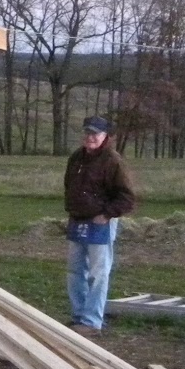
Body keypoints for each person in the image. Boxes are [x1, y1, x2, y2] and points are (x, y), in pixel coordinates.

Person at [63, 116, 136, 335]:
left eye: (95, 133)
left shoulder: (112, 161)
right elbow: (69, 185)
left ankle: (92, 320)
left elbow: (126, 197)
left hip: (100, 222)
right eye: (87, 132)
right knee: (75, 271)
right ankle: (78, 317)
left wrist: (107, 214)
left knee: (98, 273)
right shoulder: (76, 158)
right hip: (77, 220)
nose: (90, 137)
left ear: (105, 136)